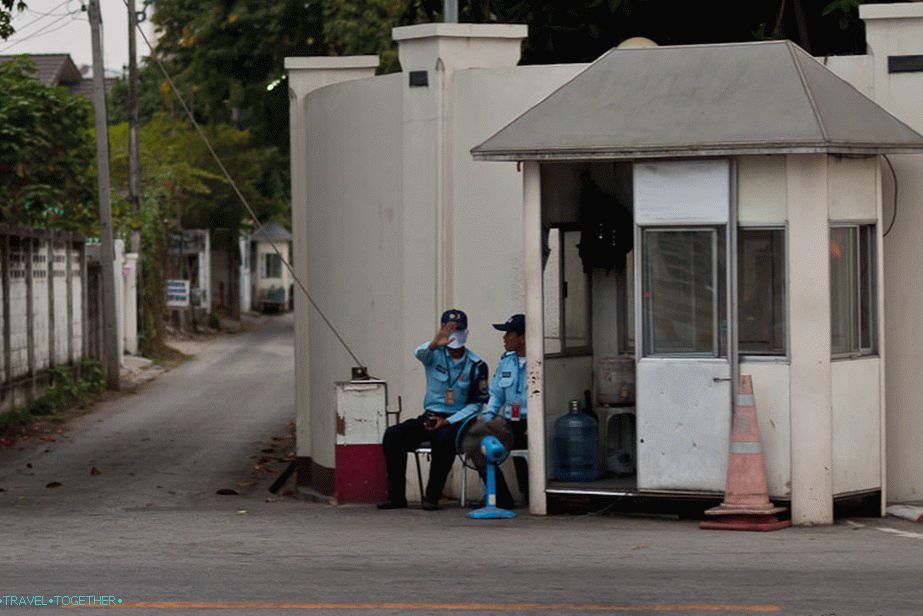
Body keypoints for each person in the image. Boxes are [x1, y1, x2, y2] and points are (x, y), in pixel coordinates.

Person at [378, 309, 489, 511]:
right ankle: (396, 497)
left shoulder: (476, 365)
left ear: (466, 332)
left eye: (458, 330)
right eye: (448, 330)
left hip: (456, 421)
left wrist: (448, 421)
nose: (454, 334)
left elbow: (476, 405)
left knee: (443, 438)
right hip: (429, 416)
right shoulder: (433, 354)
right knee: (393, 435)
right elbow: (418, 353)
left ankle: (432, 497)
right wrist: (434, 342)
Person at [482, 313, 529, 509]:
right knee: (480, 445)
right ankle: (500, 497)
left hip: (531, 422)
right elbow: (496, 395)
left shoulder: (538, 362)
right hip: (510, 421)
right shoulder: (506, 361)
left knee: (528, 456)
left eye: (508, 334)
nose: (504, 338)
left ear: (523, 337)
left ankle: (530, 496)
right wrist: (487, 419)